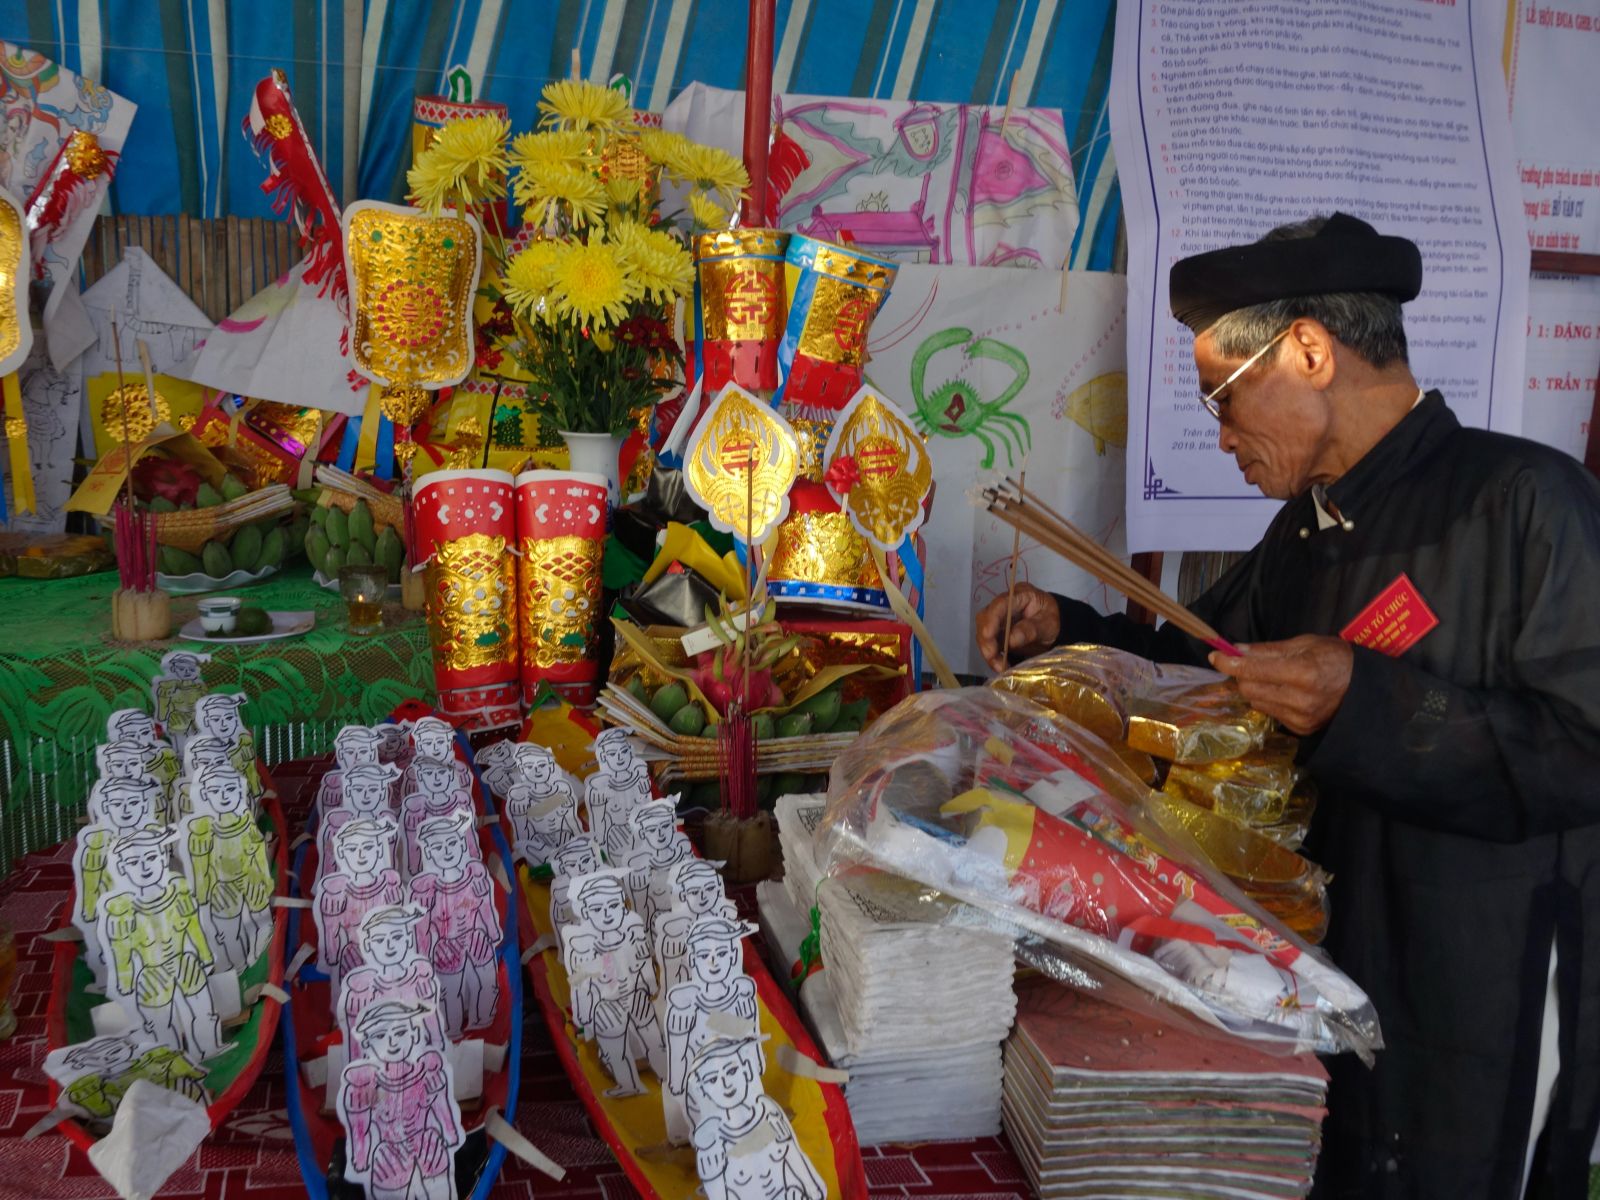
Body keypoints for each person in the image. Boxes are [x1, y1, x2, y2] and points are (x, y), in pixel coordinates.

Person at [974, 212, 1600, 1200]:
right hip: (1321, 972)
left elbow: (1581, 749)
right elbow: (1197, 661)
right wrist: (1067, 631)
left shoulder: (1526, 502)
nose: (1220, 437)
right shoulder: (1306, 530)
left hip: (1485, 984)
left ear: (1308, 350)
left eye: (1223, 398)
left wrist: (1367, 699)